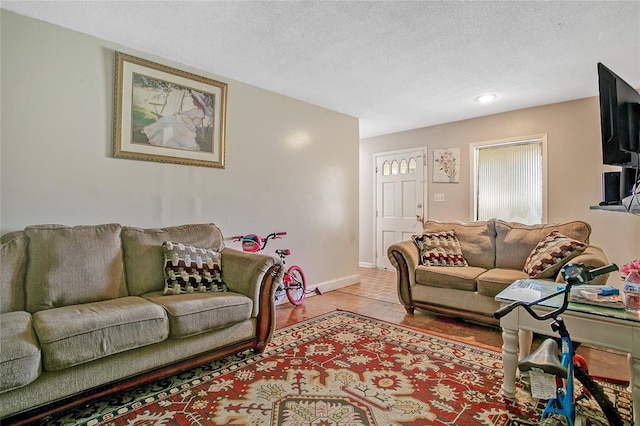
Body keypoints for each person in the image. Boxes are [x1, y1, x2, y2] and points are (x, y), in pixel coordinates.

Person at [143, 89, 212, 151]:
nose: (192, 100)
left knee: (170, 121)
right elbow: (186, 113)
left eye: (193, 99)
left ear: (197, 102)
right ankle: (153, 133)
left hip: (186, 128)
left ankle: (162, 139)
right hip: (183, 122)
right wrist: (180, 113)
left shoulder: (200, 114)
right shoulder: (195, 110)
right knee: (168, 119)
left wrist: (183, 119)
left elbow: (193, 125)